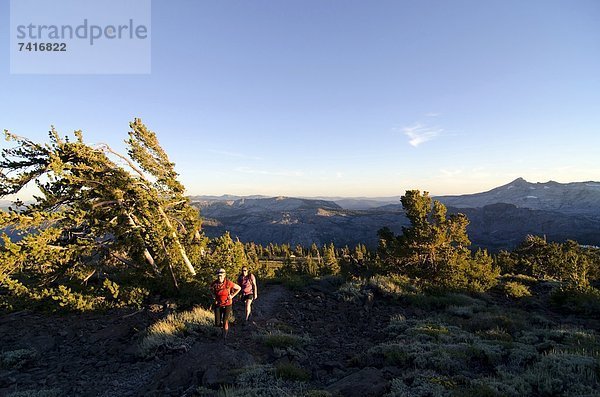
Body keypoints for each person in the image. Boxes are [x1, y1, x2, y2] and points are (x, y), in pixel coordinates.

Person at [210, 268, 241, 340]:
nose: (219, 277)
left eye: (221, 275)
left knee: (225, 320)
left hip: (227, 304)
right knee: (217, 323)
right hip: (218, 304)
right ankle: (221, 331)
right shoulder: (214, 283)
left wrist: (232, 296)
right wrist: (213, 295)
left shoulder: (228, 283)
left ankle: (225, 335)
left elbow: (239, 288)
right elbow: (210, 289)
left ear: (224, 275)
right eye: (218, 276)